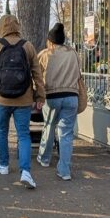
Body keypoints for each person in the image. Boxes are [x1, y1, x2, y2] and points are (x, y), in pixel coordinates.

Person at [0, 14, 45, 189]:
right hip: (24, 99)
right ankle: (25, 171)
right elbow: (37, 74)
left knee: (2, 131)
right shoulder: (28, 46)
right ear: (17, 26)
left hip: (2, 98)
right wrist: (40, 96)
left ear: (2, 27)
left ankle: (3, 165)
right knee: (23, 134)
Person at [37, 23, 81, 181]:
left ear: (50, 41)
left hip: (52, 96)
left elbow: (36, 75)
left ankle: (44, 158)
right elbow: (79, 73)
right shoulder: (74, 53)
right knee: (66, 134)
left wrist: (38, 95)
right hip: (72, 96)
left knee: (49, 126)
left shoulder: (44, 54)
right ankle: (64, 170)